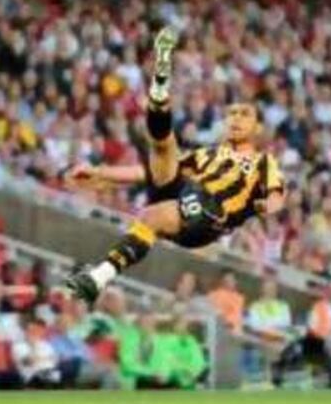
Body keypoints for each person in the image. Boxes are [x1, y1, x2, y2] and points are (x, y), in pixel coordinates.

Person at [64, 27, 286, 305]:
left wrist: (244, 213)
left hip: (210, 215)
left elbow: (273, 201)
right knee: (163, 147)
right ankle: (159, 86)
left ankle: (98, 277)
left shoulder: (266, 165)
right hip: (189, 194)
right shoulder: (211, 155)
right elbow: (151, 175)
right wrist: (101, 173)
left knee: (152, 216)